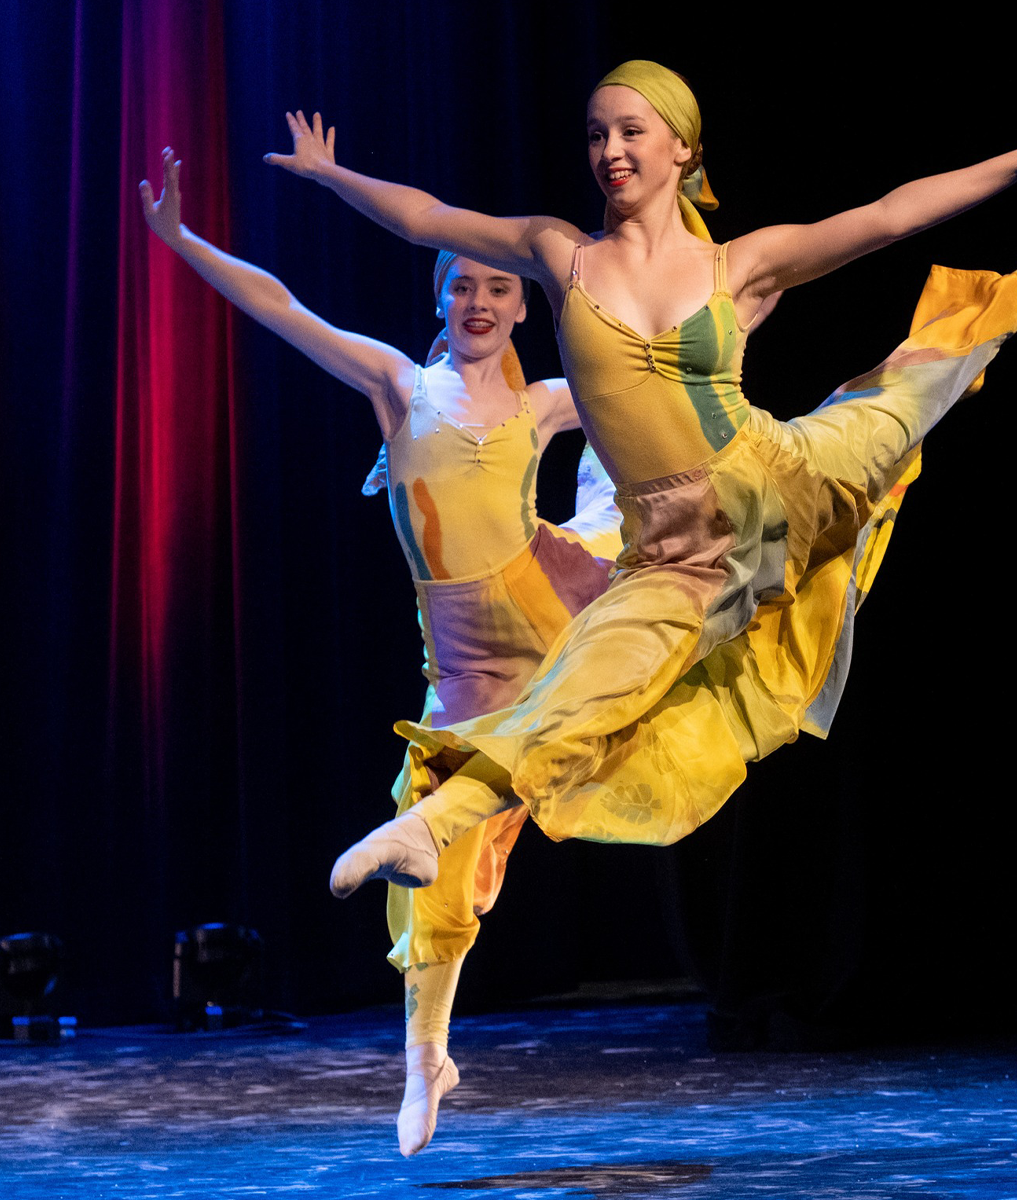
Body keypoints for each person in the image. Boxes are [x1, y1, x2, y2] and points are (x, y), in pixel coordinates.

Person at [264, 65, 1017, 912]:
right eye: (597, 134)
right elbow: (428, 219)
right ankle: (432, 826)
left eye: (631, 132)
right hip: (676, 551)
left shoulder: (738, 265)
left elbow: (887, 215)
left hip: (778, 477)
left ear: (682, 146)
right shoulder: (558, 254)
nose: (611, 151)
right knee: (587, 687)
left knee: (915, 383)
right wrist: (331, 174)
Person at [139, 149, 624, 1155]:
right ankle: (426, 1062)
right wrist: (182, 240)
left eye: (498, 284)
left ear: (525, 309)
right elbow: (285, 309)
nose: (480, 298)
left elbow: (662, 377)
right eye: (461, 283)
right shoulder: (403, 390)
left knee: (663, 540)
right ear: (438, 298)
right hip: (468, 678)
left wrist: (726, 298)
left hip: (560, 629)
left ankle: (626, 504)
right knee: (434, 872)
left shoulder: (541, 406)